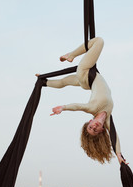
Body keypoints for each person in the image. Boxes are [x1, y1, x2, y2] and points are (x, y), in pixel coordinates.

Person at [37, 37, 125, 165]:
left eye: (90, 127)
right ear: (101, 130)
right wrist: (119, 155)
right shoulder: (108, 119)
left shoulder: (92, 109)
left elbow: (77, 106)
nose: (94, 127)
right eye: (95, 130)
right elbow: (115, 138)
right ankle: (44, 82)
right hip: (87, 83)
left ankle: (70, 55)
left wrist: (63, 107)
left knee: (99, 41)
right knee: (63, 82)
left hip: (85, 73)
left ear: (90, 121)